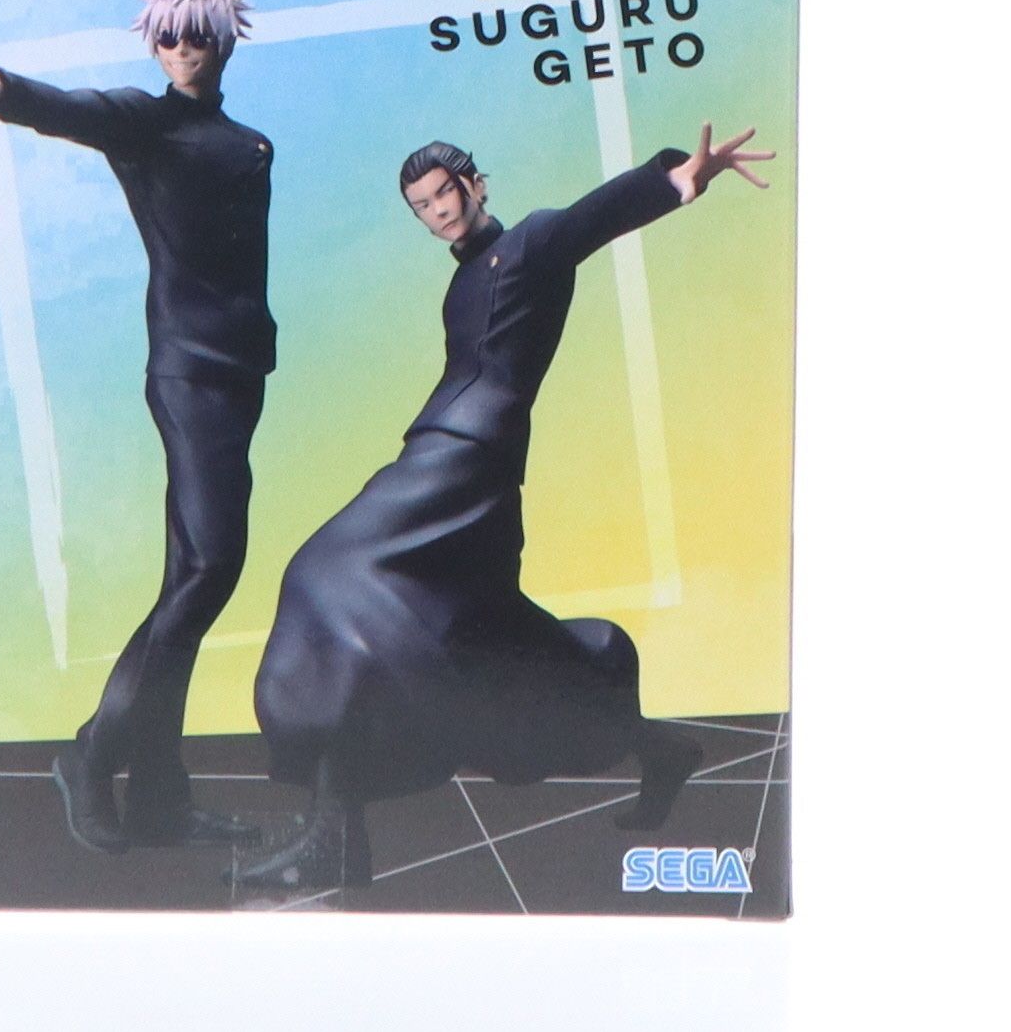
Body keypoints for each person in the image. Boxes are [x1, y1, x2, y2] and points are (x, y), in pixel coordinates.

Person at [236, 124, 775, 890]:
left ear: (475, 184)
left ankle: (335, 835)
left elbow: (591, 219)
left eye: (443, 193)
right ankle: (656, 748)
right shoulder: (461, 282)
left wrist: (677, 179)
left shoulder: (529, 244)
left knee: (329, 576)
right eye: (420, 206)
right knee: (481, 641)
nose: (436, 212)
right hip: (440, 455)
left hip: (466, 465)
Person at [0, 0, 273, 853]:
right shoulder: (143, 123)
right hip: (187, 374)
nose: (180, 47)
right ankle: (93, 752)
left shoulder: (252, 143)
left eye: (197, 33)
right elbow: (72, 110)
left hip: (244, 373)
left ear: (224, 40)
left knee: (187, 582)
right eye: (166, 34)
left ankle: (161, 800)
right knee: (210, 568)